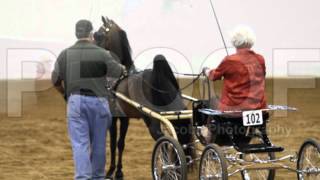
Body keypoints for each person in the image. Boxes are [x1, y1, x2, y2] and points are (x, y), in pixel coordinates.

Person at [51, 19, 126, 180]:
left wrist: (66, 95)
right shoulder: (102, 53)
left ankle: (83, 177)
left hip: (75, 101)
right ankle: (98, 177)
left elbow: (55, 81)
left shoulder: (65, 54)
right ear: (91, 34)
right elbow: (118, 72)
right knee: (99, 144)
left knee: (80, 144)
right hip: (99, 103)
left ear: (76, 34)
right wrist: (122, 68)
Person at [203, 25, 267, 111]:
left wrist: (206, 71)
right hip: (259, 107)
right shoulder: (260, 59)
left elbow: (213, 76)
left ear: (234, 40)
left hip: (233, 109)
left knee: (210, 103)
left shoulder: (229, 60)